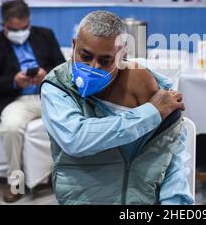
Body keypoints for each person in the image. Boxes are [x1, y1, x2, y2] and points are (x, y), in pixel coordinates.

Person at [40, 11, 194, 205]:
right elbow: (76, 139)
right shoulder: (57, 87)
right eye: (85, 56)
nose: (93, 67)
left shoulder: (145, 85)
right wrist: (151, 113)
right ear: (74, 46)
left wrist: (176, 203)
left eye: (105, 61)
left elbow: (169, 155)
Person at [0, 0, 65, 203]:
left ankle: (62, 176)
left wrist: (47, 75)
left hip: (47, 95)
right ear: (3, 25)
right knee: (10, 128)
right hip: (15, 100)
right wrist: (14, 82)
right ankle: (16, 182)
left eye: (24, 27)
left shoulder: (45, 35)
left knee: (74, 118)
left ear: (29, 21)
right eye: (13, 29)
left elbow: (63, 67)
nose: (20, 32)